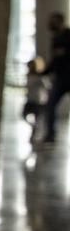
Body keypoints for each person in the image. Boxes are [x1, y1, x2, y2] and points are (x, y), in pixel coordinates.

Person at [44, 12, 70, 142]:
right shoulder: (55, 38)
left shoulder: (67, 36)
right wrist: (44, 71)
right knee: (50, 105)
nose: (51, 24)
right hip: (60, 79)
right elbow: (55, 61)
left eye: (53, 21)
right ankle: (51, 135)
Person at [23, 57, 47, 142]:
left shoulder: (39, 77)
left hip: (38, 100)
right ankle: (34, 127)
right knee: (24, 115)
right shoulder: (28, 75)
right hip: (30, 99)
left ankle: (36, 132)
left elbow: (46, 86)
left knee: (37, 117)